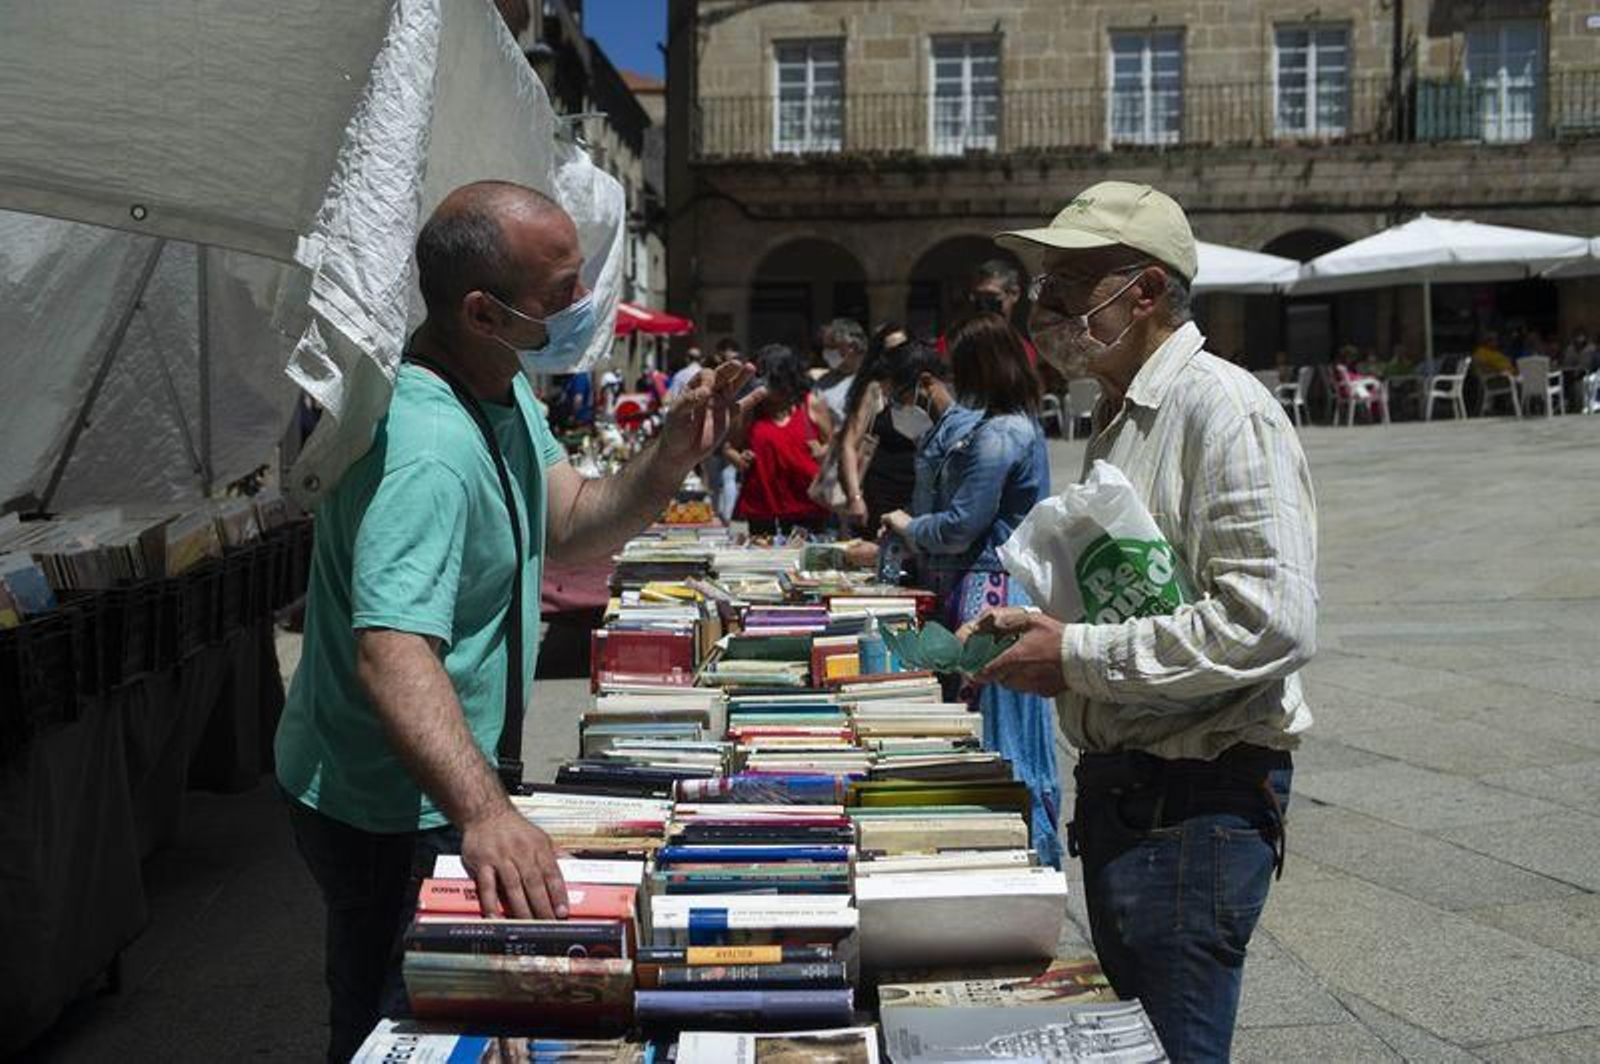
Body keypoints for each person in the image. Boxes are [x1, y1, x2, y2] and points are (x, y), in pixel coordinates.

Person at [275, 181, 760, 1062]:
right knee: (398, 1022)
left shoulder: (499, 389)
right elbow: (391, 653)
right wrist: (486, 813)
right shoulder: (425, 448)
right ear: (482, 312)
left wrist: (669, 455)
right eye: (561, 293)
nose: (582, 307)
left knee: (437, 1010)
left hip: (435, 786)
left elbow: (572, 521)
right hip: (388, 805)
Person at [965, 181, 1318, 1061]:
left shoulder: (1220, 408)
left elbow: (1270, 619)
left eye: (1066, 286)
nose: (1041, 307)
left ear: (1146, 292)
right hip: (1134, 796)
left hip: (1195, 807)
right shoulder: (1118, 415)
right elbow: (1153, 588)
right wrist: (1047, 630)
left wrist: (1078, 655)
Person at [877, 317, 1061, 867]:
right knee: (1007, 724)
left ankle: (1016, 849)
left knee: (995, 726)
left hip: (990, 587)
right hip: (999, 582)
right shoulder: (1013, 426)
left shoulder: (1000, 434)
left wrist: (910, 527)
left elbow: (960, 522)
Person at [731, 343, 833, 536]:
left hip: (806, 506)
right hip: (761, 506)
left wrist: (822, 451)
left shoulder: (810, 404)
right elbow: (730, 448)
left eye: (771, 379)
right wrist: (739, 459)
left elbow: (834, 446)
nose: (764, 385)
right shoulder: (751, 409)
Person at [835, 322, 910, 529]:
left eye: (903, 349)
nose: (897, 357)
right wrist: (855, 497)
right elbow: (849, 444)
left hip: (915, 495)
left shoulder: (923, 387)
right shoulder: (874, 389)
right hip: (879, 494)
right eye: (890, 351)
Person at [814, 317, 868, 427]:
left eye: (832, 346)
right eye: (825, 347)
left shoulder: (873, 379)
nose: (827, 352)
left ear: (852, 347)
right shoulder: (822, 383)